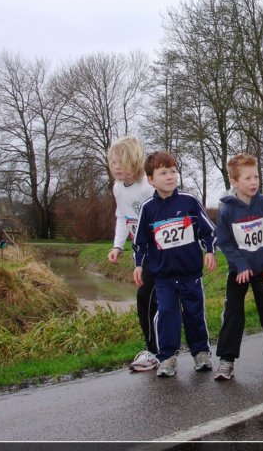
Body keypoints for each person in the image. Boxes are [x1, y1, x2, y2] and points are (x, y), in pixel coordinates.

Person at [133, 151, 218, 378]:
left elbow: (208, 231)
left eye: (173, 171)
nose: (170, 176)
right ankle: (167, 357)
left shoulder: (189, 202)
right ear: (150, 179)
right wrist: (139, 265)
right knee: (167, 314)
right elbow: (140, 242)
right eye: (163, 173)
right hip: (164, 277)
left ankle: (200, 352)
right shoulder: (148, 209)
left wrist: (210, 251)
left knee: (194, 313)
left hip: (190, 274)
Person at [213, 154, 263, 380]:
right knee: (234, 314)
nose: (254, 182)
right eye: (247, 178)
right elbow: (224, 241)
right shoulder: (227, 211)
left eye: (256, 176)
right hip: (239, 272)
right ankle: (226, 361)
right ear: (235, 182)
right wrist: (240, 264)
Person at [106, 136, 158, 372]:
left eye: (120, 162)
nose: (115, 167)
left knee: (151, 299)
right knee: (145, 299)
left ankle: (161, 351)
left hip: (160, 252)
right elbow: (122, 217)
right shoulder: (118, 189)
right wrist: (117, 246)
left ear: (134, 161)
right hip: (141, 255)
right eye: (112, 162)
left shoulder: (147, 188)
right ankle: (154, 349)